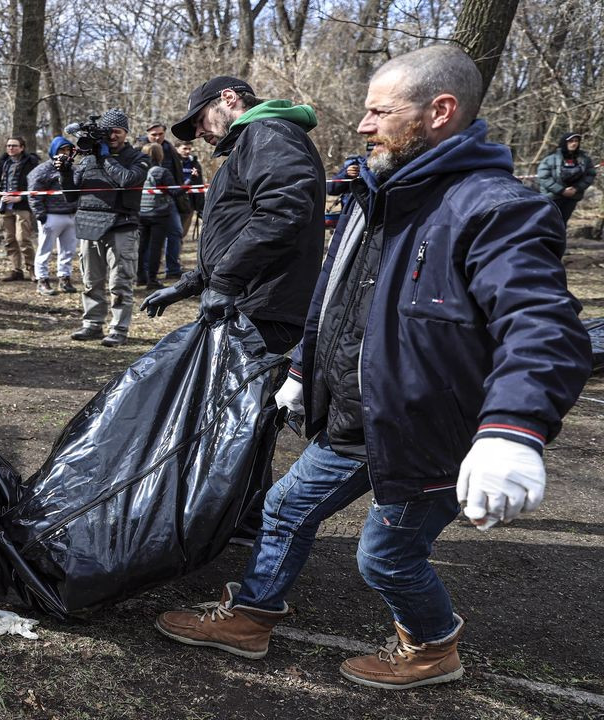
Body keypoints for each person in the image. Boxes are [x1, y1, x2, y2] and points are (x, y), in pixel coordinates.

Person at [153, 46, 592, 691]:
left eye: (379, 111)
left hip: (427, 430)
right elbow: (333, 298)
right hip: (355, 415)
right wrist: (306, 370)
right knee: (285, 508)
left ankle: (434, 646)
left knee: (385, 558)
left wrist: (513, 430)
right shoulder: (374, 193)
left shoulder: (497, 209)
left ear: (439, 113)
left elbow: (543, 327)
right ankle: (251, 615)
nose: (362, 125)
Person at [141, 76, 323, 357]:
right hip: (246, 299)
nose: (199, 132)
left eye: (200, 119)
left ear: (228, 99)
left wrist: (225, 283)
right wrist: (189, 284)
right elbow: (234, 231)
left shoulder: (268, 133)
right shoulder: (251, 141)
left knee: (230, 399)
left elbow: (281, 213)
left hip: (263, 304)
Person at [61, 109, 147, 347]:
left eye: (117, 132)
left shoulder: (138, 157)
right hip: (89, 225)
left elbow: (127, 180)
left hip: (122, 226)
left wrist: (106, 157)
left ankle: (118, 328)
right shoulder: (88, 158)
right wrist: (65, 172)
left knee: (120, 283)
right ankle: (92, 324)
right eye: (108, 132)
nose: (112, 136)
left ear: (126, 133)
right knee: (91, 281)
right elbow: (70, 196)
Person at [27, 136, 79, 296]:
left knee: (68, 250)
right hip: (50, 216)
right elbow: (34, 194)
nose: (65, 153)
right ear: (54, 151)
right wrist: (40, 214)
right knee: (45, 250)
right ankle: (42, 280)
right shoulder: (42, 170)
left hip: (71, 215)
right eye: (61, 150)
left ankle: (65, 278)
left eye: (67, 150)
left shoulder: (74, 169)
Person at [0, 137, 41, 282]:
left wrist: (20, 198)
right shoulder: (3, 163)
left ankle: (32, 270)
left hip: (22, 207)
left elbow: (36, 187)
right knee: (9, 240)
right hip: (5, 208)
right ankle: (16, 270)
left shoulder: (31, 164)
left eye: (14, 146)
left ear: (22, 147)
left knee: (23, 239)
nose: (10, 148)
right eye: (8, 146)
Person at [144, 123, 188, 280]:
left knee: (175, 232)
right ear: (147, 134)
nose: (157, 137)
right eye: (153, 134)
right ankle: (146, 273)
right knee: (149, 240)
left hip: (170, 198)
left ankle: (173, 269)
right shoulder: (140, 150)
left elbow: (178, 173)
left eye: (160, 134)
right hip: (146, 204)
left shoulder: (170, 149)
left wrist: (182, 192)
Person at [137, 142, 183, 290]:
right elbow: (175, 192)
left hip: (141, 213)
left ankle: (140, 277)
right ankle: (152, 279)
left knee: (142, 246)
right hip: (159, 214)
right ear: (160, 155)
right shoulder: (162, 172)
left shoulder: (138, 171)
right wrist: (189, 183)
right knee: (156, 247)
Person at [538, 132, 596, 222]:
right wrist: (561, 190)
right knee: (549, 222)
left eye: (576, 141)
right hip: (553, 197)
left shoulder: (584, 159)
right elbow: (543, 177)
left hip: (572, 197)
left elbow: (590, 174)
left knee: (562, 222)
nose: (574, 143)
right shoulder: (551, 158)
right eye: (571, 141)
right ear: (564, 143)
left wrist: (576, 188)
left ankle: (561, 236)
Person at [174, 141, 204, 245]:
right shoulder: (173, 162)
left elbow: (199, 184)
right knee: (174, 232)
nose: (187, 151)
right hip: (175, 201)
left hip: (190, 203)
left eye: (189, 149)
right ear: (177, 148)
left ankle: (177, 254)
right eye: (184, 148)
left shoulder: (194, 163)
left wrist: (200, 205)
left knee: (182, 232)